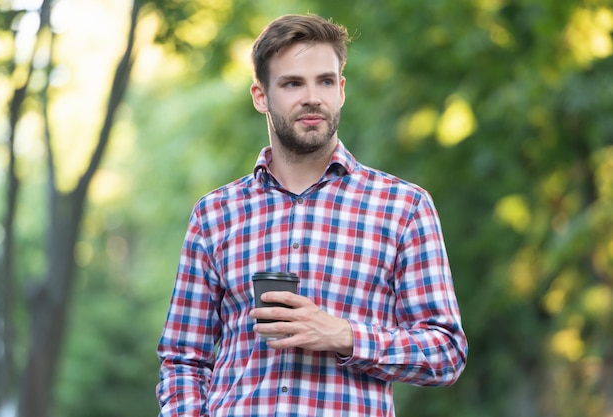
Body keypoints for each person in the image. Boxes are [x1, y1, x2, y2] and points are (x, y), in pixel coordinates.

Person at [156, 13, 468, 417]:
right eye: (291, 83)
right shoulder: (216, 213)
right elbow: (183, 359)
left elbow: (446, 351)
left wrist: (345, 335)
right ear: (260, 96)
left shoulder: (403, 207)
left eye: (324, 81)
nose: (312, 97)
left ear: (341, 90)